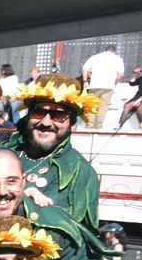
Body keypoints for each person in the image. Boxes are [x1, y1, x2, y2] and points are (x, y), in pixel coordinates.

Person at [13, 73, 102, 232]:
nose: (46, 122)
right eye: (39, 112)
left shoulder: (80, 172)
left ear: (72, 122)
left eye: (58, 115)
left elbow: (73, 233)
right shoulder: (2, 154)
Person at [81, 44, 125, 125]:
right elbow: (121, 74)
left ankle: (90, 124)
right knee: (103, 106)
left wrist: (85, 81)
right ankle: (98, 124)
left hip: (94, 85)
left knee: (92, 105)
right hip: (108, 86)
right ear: (114, 52)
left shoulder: (95, 57)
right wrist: (115, 82)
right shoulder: (118, 59)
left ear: (105, 50)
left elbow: (85, 68)